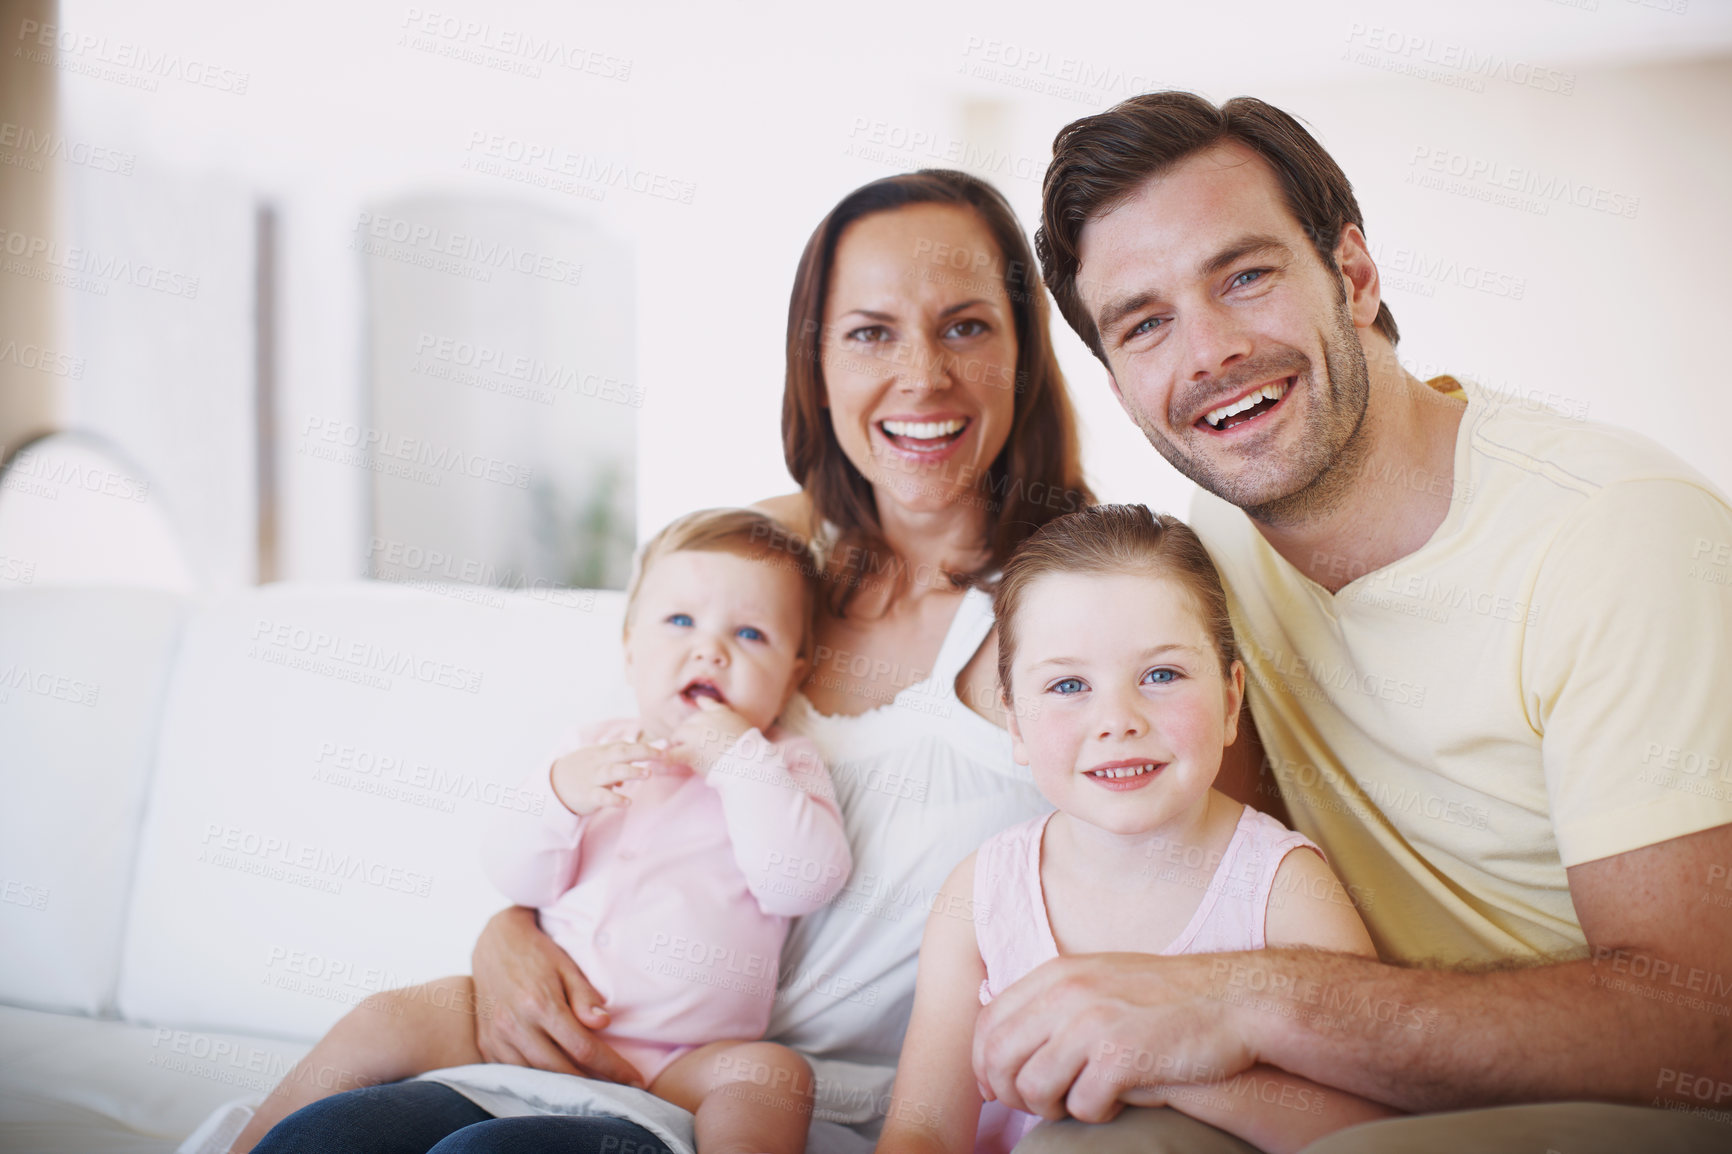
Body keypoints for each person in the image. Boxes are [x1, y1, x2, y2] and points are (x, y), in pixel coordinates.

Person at [252, 169, 1095, 1154]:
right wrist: (509, 931)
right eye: (870, 330)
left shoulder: (1083, 600)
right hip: (591, 1048)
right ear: (813, 362)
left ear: (1025, 352)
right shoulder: (753, 569)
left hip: (796, 1104)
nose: (921, 374)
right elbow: (599, 808)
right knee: (339, 1135)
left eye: (964, 326)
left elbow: (1190, 867)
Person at [968, 90, 1732, 1151]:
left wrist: (1250, 999)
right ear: (1118, 380)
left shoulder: (1616, 533)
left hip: (1629, 1100)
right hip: (1354, 1066)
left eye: (1244, 275)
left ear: (1354, 276)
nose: (1210, 352)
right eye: (1145, 324)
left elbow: (1703, 1028)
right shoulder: (1219, 534)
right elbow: (1209, 851)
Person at [239, 509, 851, 1154]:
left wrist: (739, 762)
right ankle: (243, 1144)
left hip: (679, 1061)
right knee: (382, 1017)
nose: (710, 650)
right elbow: (516, 876)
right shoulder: (589, 749)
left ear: (795, 671)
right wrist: (560, 797)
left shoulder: (781, 763)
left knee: (774, 1076)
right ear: (630, 647)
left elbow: (800, 883)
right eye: (679, 622)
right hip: (517, 1028)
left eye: (751, 634)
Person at [877, 504, 1397, 1154]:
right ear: (1014, 724)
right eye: (1069, 685)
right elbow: (924, 1131)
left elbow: (1367, 1132)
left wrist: (1171, 1075)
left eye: (1161, 675)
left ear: (1232, 699)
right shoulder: (980, 895)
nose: (1117, 719)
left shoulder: (1286, 889)